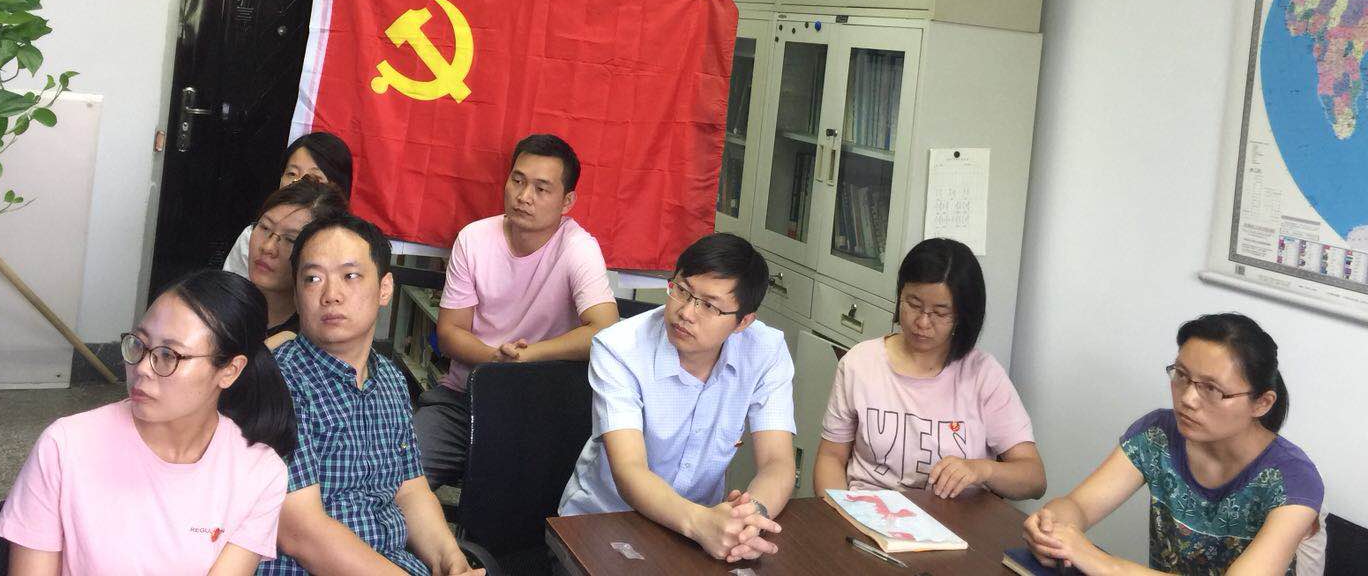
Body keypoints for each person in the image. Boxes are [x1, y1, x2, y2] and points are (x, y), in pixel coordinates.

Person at [0, 271, 294, 575]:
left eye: (169, 355)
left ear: (230, 370)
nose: (142, 368)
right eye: (139, 344)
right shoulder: (64, 446)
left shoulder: (259, 473)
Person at [263, 210, 483, 576]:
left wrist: (450, 561)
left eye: (350, 276)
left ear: (384, 288)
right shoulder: (279, 383)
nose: (331, 295)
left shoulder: (391, 380)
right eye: (313, 279)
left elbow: (410, 491)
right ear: (297, 295)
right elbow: (302, 532)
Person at [1023, 313, 1323, 576]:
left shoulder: (1293, 480)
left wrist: (1101, 562)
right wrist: (1052, 528)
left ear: (1262, 403)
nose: (1187, 399)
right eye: (1181, 375)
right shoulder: (1157, 435)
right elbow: (1079, 506)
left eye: (1211, 389)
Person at [558, 232, 795, 564]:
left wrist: (749, 517)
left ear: (743, 322)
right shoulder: (619, 349)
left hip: (699, 532)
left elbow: (777, 463)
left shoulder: (765, 351)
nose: (686, 312)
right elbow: (630, 470)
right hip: (604, 523)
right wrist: (702, 524)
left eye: (709, 305)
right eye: (682, 290)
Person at [416, 133, 620, 490]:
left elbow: (604, 330)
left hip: (539, 408)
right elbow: (449, 333)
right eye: (518, 181)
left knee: (532, 503)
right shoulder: (474, 239)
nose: (524, 197)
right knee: (399, 476)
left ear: (567, 201)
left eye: (541, 189)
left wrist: (527, 357)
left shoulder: (578, 248)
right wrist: (496, 359)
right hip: (463, 399)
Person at [814, 237, 1045, 501]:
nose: (922, 322)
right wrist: (838, 511)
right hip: (868, 512)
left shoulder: (983, 374)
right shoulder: (860, 363)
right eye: (913, 304)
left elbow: (1034, 479)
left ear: (962, 316)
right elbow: (831, 457)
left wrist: (983, 470)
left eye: (940, 313)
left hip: (954, 520)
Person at [224, 131, 354, 278]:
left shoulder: (351, 250)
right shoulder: (254, 235)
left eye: (314, 178)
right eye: (291, 174)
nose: (298, 184)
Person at [245, 178, 347, 348]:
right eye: (264, 227)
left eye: (290, 240)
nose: (268, 247)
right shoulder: (223, 308)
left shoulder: (313, 342)